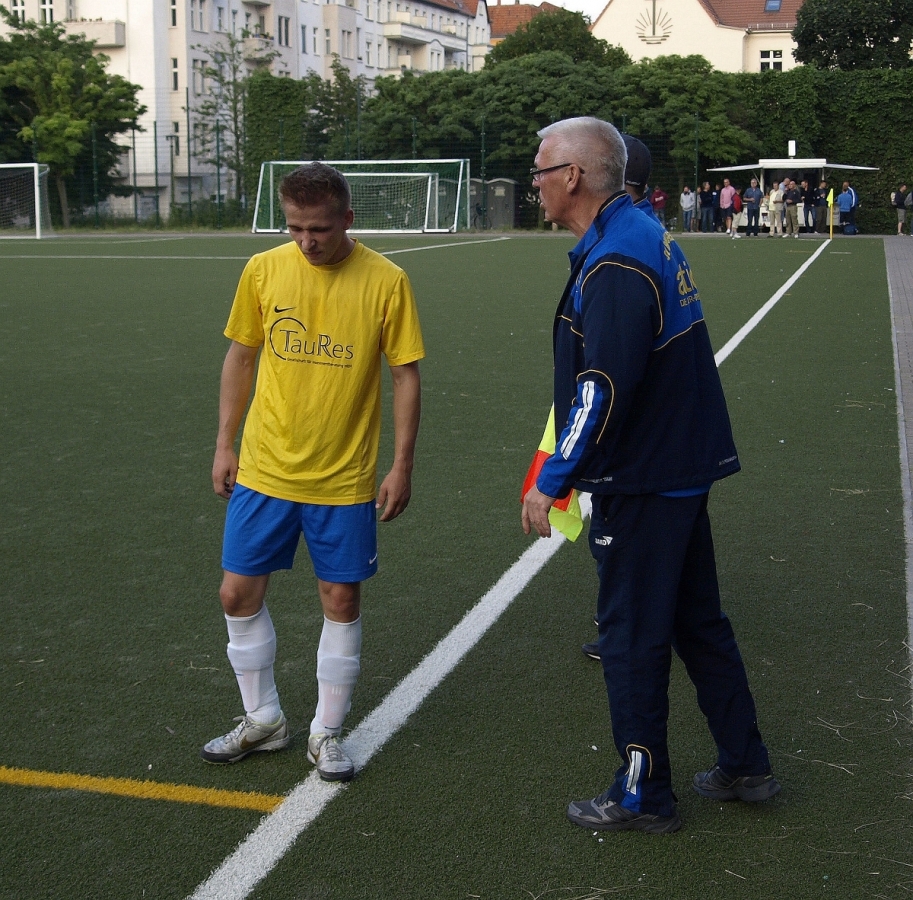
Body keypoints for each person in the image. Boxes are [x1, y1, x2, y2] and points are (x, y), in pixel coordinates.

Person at [523, 116, 780, 835]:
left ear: (572, 176)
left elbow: (603, 387)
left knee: (632, 638)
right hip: (675, 467)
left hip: (644, 476)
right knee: (697, 622)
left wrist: (554, 477)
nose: (534, 183)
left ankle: (642, 794)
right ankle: (745, 763)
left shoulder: (616, 259)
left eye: (540, 170)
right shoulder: (637, 233)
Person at [201, 162, 425, 781]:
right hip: (264, 467)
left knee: (341, 599)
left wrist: (401, 464)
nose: (306, 241)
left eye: (320, 229)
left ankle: (327, 731)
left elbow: (405, 375)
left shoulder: (387, 280)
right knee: (236, 593)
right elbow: (241, 356)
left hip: (343, 476)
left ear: (347, 218)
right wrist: (224, 444)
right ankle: (263, 719)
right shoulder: (263, 269)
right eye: (295, 227)